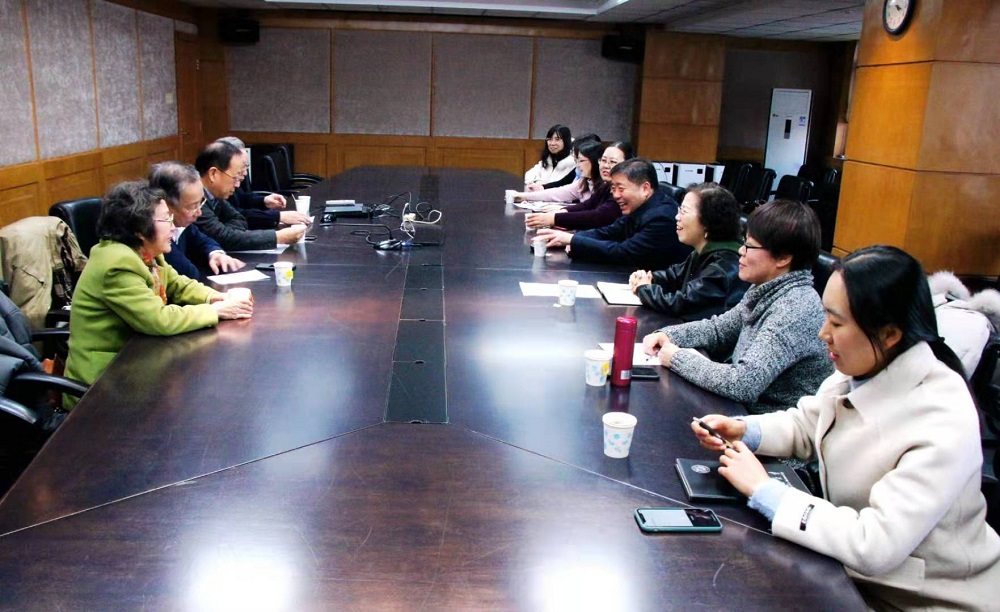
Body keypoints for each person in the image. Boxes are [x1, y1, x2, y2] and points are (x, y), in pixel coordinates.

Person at [691, 245, 1000, 610]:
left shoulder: (942, 418)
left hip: (921, 599)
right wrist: (743, 429)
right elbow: (808, 424)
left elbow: (874, 544)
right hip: (849, 574)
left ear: (889, 334)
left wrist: (765, 490)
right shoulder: (862, 368)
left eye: (837, 323)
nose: (824, 334)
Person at [64, 181, 254, 403]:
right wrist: (217, 310)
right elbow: (159, 319)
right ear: (139, 229)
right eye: (166, 219)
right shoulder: (117, 264)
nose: (173, 226)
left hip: (140, 362)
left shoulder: (145, 251)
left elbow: (178, 284)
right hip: (103, 383)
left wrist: (219, 296)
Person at [642, 199, 831, 413]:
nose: (741, 251)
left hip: (763, 423)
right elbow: (719, 329)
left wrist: (676, 358)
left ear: (783, 258)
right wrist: (669, 335)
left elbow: (743, 383)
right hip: (740, 412)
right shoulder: (767, 288)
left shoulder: (794, 308)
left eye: (750, 246)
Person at [536, 158, 690, 270]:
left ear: (645, 188)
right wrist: (568, 238)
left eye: (621, 189)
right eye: (613, 188)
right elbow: (610, 231)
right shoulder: (639, 206)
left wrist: (573, 240)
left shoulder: (662, 217)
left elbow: (623, 252)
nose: (615, 195)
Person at [628, 183, 748, 320]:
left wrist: (644, 289)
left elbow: (681, 304)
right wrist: (648, 277)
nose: (677, 217)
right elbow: (674, 276)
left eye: (684, 212)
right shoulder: (702, 252)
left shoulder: (723, 266)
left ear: (708, 222)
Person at [194, 142, 305, 251]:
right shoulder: (194, 200)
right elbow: (224, 238)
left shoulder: (215, 194)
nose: (237, 185)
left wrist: (231, 234)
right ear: (213, 174)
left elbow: (238, 218)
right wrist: (278, 237)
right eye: (235, 178)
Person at [148, 161, 245, 281]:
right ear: (165, 205)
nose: (199, 213)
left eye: (201, 202)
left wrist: (215, 254)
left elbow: (203, 241)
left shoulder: (183, 224)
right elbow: (188, 273)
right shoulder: (156, 237)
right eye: (193, 206)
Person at [524, 141, 633, 231]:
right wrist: (562, 211)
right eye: (603, 160)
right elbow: (587, 205)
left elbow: (599, 216)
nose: (606, 166)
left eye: (612, 162)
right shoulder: (606, 186)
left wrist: (554, 219)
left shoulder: (624, 191)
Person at [216, 136, 310, 230]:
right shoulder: (214, 191)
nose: (245, 173)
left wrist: (264, 201)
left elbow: (241, 198)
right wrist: (277, 217)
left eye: (246, 166)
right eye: (243, 165)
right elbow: (236, 215)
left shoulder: (229, 179)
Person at [514, 140, 604, 206]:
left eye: (581, 160)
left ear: (596, 161)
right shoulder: (583, 182)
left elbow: (592, 212)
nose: (577, 165)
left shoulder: (605, 186)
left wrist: (562, 211)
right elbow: (557, 193)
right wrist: (524, 196)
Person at [523, 124, 575, 191]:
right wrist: (537, 182)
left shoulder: (575, 161)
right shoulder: (548, 159)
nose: (552, 143)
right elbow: (529, 174)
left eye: (557, 139)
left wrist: (544, 186)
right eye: (549, 139)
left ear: (566, 141)